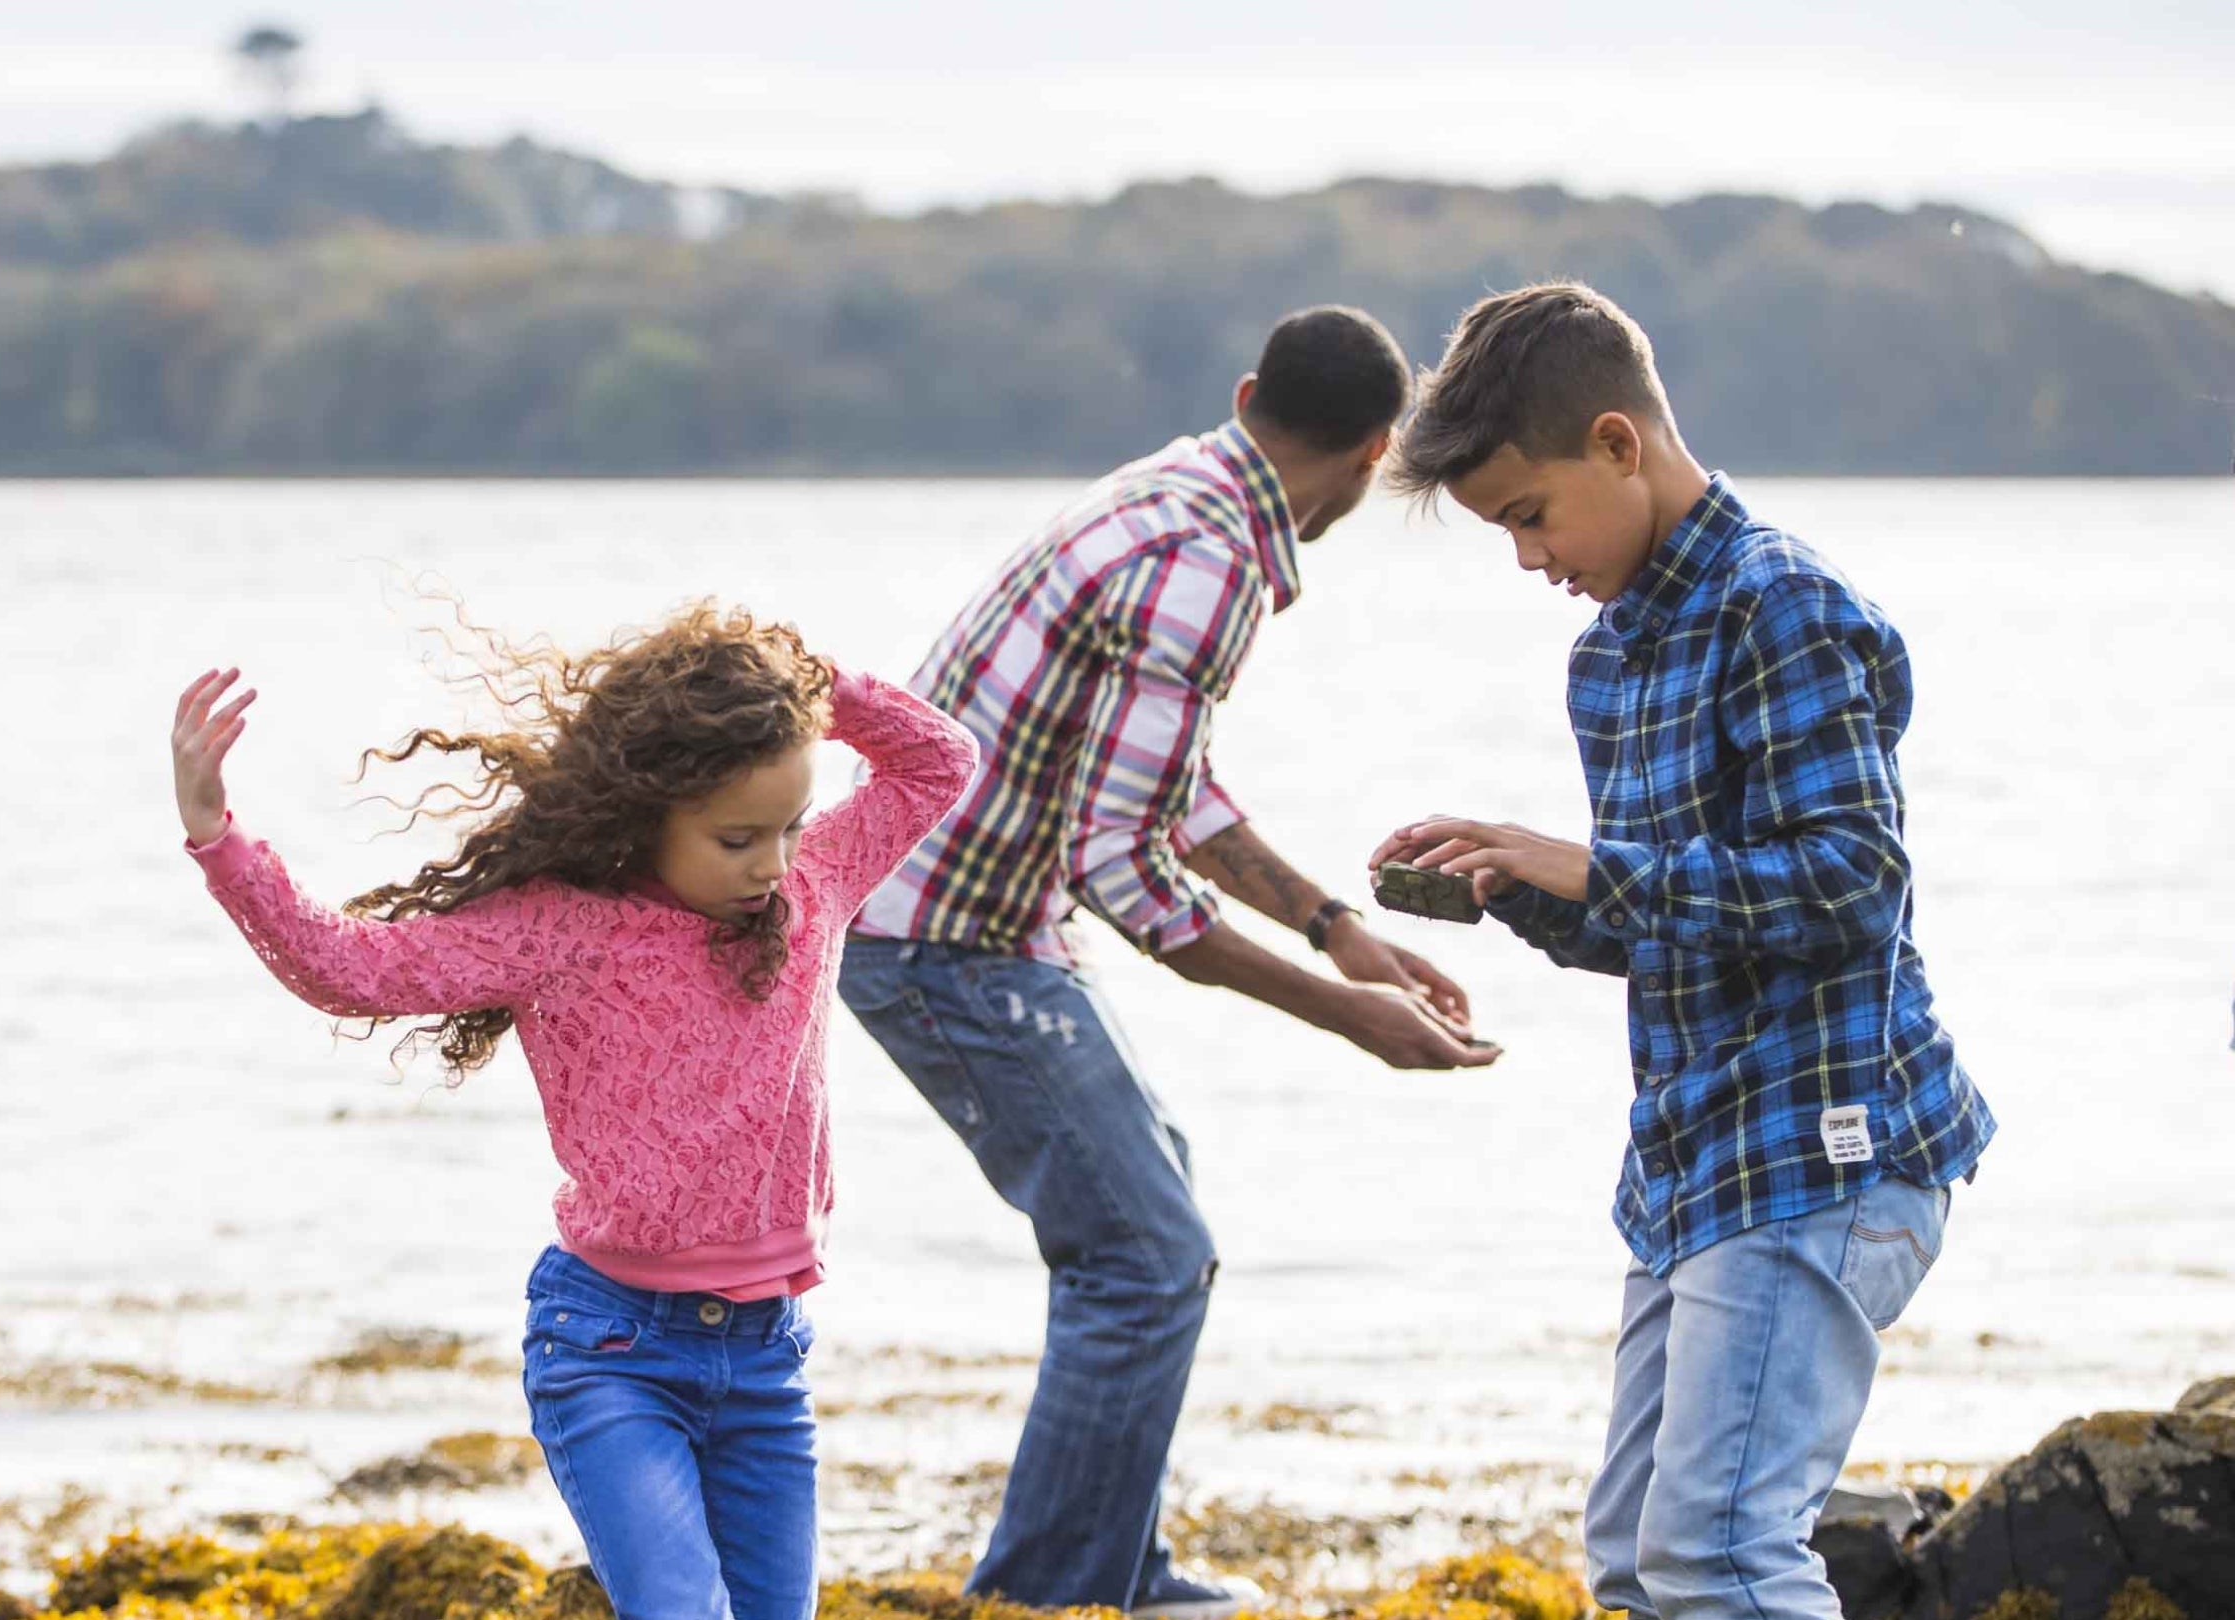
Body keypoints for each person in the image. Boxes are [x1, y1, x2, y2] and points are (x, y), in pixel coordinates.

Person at [838, 305, 1495, 1616]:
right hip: (938, 939)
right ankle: (1051, 1597)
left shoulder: (1176, 492)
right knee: (1143, 1256)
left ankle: (1111, 1573)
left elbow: (1166, 791)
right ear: (1375, 454)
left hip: (974, 920)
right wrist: (1347, 1017)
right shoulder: (1210, 565)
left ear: (1251, 393)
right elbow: (1119, 868)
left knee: (1155, 1225)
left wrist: (1336, 926)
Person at [1371, 281, 1996, 1620]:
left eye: (1528, 515)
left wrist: (1593, 865)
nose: (1528, 557)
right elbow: (1675, 922)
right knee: (1635, 1569)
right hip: (1696, 1159)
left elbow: (1850, 886)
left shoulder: (1784, 608)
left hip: (1825, 1148)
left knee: (1717, 1554)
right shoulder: (1611, 657)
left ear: (1617, 442)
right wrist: (1509, 882)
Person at [168, 603, 977, 1620]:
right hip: (612, 1354)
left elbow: (940, 763)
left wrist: (815, 682)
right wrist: (218, 839)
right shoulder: (561, 929)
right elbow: (347, 970)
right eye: (737, 838)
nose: (772, 862)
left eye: (787, 828)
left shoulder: (812, 886)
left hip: (767, 1360)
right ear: (651, 815)